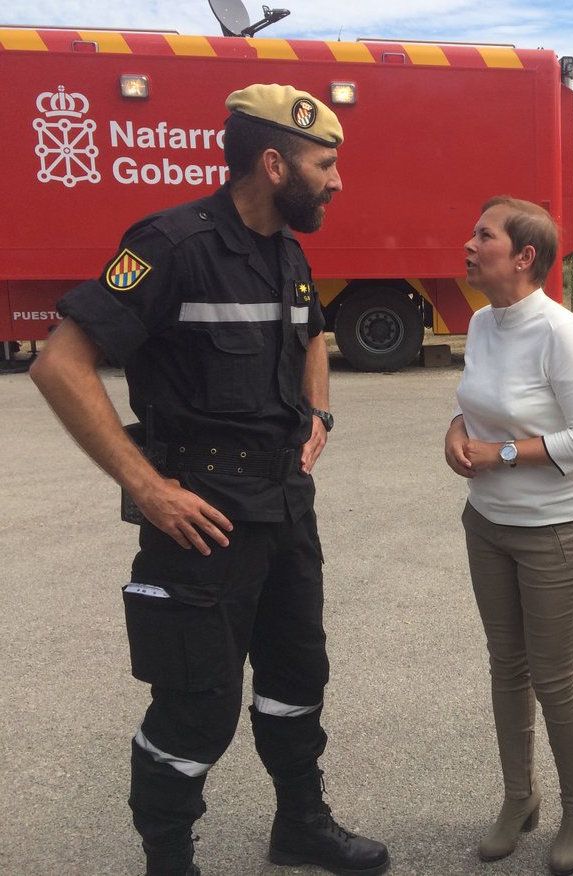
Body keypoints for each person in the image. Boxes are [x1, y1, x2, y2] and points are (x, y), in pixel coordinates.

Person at [29, 85, 389, 876]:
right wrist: (150, 489)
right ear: (273, 163)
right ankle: (168, 860)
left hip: (285, 512)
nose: (336, 181)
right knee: (196, 706)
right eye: (324, 164)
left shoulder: (287, 250)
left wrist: (319, 416)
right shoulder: (168, 245)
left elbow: (313, 338)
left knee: (298, 679)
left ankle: (300, 825)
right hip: (201, 518)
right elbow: (61, 364)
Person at [445, 196, 573, 875]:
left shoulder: (559, 331)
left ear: (523, 257)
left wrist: (504, 455)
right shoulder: (484, 321)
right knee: (504, 666)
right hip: (487, 524)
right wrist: (456, 433)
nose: (469, 243)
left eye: (482, 234)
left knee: (552, 677)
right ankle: (520, 798)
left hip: (556, 532)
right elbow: (472, 402)